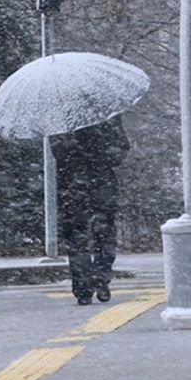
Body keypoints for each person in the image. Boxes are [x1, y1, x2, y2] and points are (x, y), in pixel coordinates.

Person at [50, 115, 130, 306]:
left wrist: (77, 150)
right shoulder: (106, 114)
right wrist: (99, 152)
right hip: (102, 187)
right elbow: (120, 151)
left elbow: (59, 153)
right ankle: (101, 279)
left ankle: (83, 288)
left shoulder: (61, 118)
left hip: (72, 188)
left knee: (77, 239)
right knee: (105, 236)